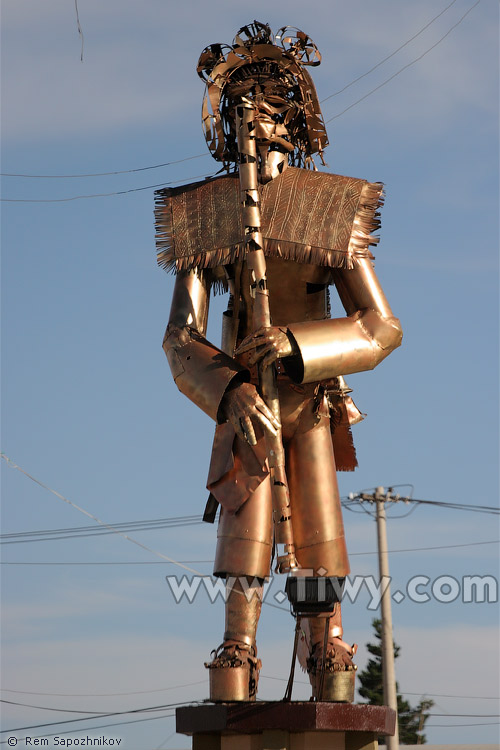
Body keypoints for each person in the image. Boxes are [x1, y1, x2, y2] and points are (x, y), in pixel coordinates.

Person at [155, 21, 402, 702]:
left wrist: (298, 346)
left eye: (268, 111)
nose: (254, 125)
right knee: (247, 513)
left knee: (319, 523)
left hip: (311, 391)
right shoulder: (204, 213)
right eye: (242, 112)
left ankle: (325, 641)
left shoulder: (331, 211)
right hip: (246, 399)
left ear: (293, 123)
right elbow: (180, 336)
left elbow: (380, 326)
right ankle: (239, 640)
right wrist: (229, 386)